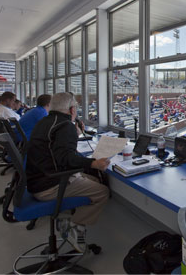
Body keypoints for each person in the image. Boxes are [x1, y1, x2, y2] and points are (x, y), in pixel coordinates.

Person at [26, 92, 110, 252]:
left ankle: (69, 219)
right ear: (72, 110)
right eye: (76, 109)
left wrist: (75, 135)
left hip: (38, 178)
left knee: (95, 181)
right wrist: (94, 163)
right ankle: (71, 226)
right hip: (49, 184)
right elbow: (66, 158)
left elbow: (56, 150)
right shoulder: (65, 126)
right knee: (102, 191)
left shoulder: (45, 121)